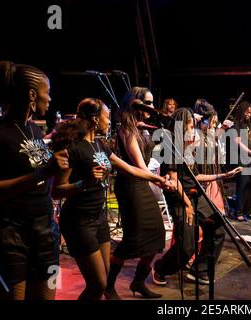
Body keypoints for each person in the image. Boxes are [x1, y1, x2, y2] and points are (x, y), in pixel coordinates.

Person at [51, 98, 171, 300]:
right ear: (96, 119)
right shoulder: (73, 148)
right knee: (97, 283)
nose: (110, 121)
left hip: (99, 219)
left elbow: (130, 168)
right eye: (107, 117)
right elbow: (57, 190)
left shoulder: (100, 145)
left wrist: (157, 179)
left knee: (103, 280)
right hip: (79, 222)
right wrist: (84, 183)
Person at [0, 61, 69, 300]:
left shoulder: (34, 129)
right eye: (46, 92)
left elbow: (43, 184)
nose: (50, 98)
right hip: (8, 236)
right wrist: (42, 172)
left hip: (45, 233)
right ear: (32, 95)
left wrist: (60, 172)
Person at [152, 108, 241, 286]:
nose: (193, 130)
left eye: (194, 126)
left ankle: (199, 271)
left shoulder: (190, 148)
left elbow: (196, 177)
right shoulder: (171, 146)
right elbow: (175, 180)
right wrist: (187, 205)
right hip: (180, 198)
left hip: (196, 195)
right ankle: (161, 268)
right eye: (190, 126)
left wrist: (222, 176)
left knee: (217, 228)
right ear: (180, 127)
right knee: (187, 246)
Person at [104, 88, 169, 300]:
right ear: (135, 103)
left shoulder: (143, 128)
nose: (151, 106)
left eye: (151, 102)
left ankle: (138, 282)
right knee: (132, 239)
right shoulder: (127, 129)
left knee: (157, 234)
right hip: (131, 186)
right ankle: (109, 285)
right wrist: (159, 180)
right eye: (147, 102)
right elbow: (140, 165)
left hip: (142, 183)